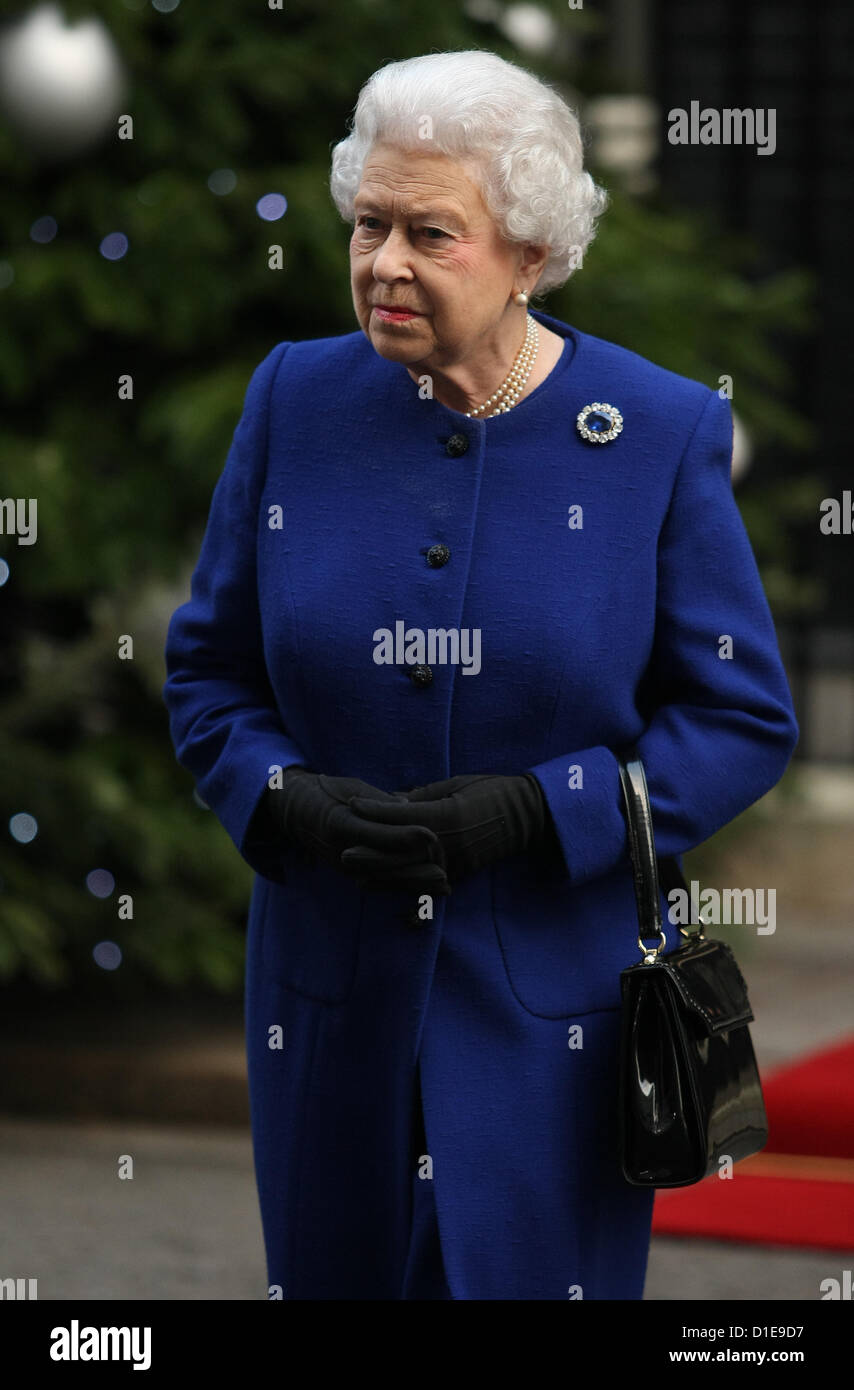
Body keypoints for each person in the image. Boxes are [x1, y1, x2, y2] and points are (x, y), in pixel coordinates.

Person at [162, 49, 799, 1300]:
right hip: (329, 992)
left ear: (528, 252)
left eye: (428, 233)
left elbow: (739, 717)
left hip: (550, 1015)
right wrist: (280, 794)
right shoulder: (295, 398)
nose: (384, 262)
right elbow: (207, 672)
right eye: (368, 224)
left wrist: (538, 810)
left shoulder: (655, 432)